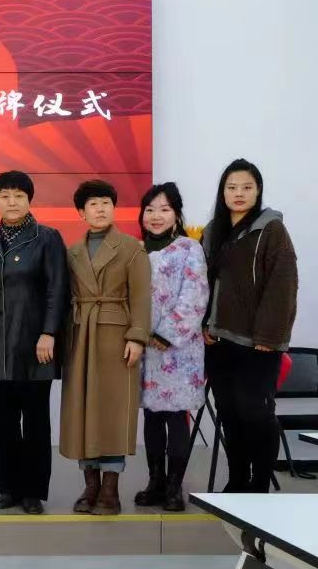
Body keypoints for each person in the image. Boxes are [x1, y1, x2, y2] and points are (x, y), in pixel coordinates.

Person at [0, 171, 68, 515]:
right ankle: (9, 488)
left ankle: (33, 491)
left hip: (36, 346)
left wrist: (49, 332)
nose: (12, 202)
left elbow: (57, 289)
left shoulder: (48, 238)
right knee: (4, 420)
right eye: (5, 196)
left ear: (29, 200)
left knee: (36, 420)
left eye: (19, 196)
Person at [202, 159, 297, 493]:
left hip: (258, 343)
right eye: (231, 187)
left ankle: (259, 486)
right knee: (229, 414)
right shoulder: (213, 231)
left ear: (258, 191)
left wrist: (269, 336)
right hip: (218, 341)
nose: (239, 193)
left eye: (246, 187)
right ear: (222, 192)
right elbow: (204, 284)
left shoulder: (271, 230)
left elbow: (283, 285)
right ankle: (238, 480)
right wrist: (204, 324)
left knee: (256, 415)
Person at [61, 179, 151, 515]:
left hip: (116, 337)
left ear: (114, 208)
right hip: (80, 334)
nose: (100, 209)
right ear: (81, 213)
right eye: (93, 204)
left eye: (105, 203)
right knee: (82, 409)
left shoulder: (131, 248)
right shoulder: (72, 252)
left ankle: (111, 487)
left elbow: (141, 296)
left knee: (113, 410)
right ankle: (90, 485)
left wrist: (137, 336)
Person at [133, 182, 209, 512]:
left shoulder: (190, 248)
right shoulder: (136, 251)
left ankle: (175, 486)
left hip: (179, 350)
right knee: (151, 417)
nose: (156, 216)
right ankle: (156, 481)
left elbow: (196, 295)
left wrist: (167, 333)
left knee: (177, 417)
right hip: (144, 349)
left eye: (164, 209)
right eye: (150, 209)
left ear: (176, 215)